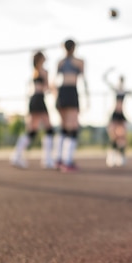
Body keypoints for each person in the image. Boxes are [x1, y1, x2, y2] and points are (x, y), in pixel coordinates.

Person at [10, 51, 55, 169]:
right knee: (48, 129)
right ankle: (47, 159)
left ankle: (16, 155)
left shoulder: (34, 72)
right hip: (39, 100)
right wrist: (53, 89)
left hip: (34, 99)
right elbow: (46, 88)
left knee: (32, 130)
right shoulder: (43, 71)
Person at [54, 39, 88, 172]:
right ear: (74, 48)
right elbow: (84, 80)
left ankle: (59, 159)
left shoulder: (61, 62)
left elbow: (54, 81)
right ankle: (66, 161)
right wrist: (87, 97)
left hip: (63, 92)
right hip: (70, 92)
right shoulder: (79, 62)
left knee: (64, 127)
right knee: (72, 127)